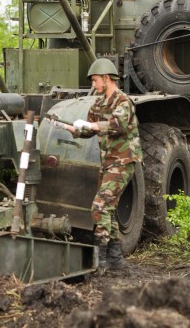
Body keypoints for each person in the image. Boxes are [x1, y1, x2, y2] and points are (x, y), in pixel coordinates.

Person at [49, 58, 142, 272]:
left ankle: (100, 259)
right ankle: (116, 260)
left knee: (99, 207)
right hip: (108, 162)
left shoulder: (122, 101)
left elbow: (118, 125)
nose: (94, 85)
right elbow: (88, 131)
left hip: (123, 161)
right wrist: (65, 126)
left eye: (95, 80)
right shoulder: (99, 103)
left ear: (107, 78)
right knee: (108, 209)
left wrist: (91, 124)